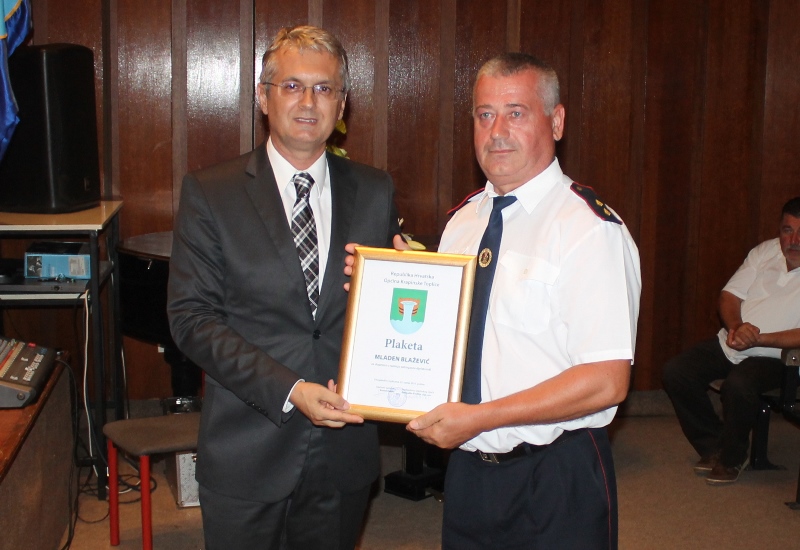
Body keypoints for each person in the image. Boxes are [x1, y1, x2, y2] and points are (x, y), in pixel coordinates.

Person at [379, 52, 641, 549]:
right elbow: (456, 336)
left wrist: (481, 417)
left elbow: (606, 381)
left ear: (556, 122)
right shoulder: (463, 222)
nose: (496, 131)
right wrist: (393, 287)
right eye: (484, 115)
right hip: (469, 472)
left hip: (557, 474)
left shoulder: (588, 230)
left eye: (515, 113)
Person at [167, 25, 402, 550]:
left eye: (324, 88)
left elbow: (386, 303)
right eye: (292, 86)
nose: (308, 102)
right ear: (263, 97)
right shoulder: (211, 192)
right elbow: (191, 319)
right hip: (248, 449)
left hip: (343, 450)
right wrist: (291, 389)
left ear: (342, 103)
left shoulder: (375, 190)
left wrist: (409, 277)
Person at [662, 197, 800, 485]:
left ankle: (732, 457)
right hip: (733, 341)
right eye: (787, 230)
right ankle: (715, 445)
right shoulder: (765, 251)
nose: (794, 241)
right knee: (677, 371)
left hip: (779, 358)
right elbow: (730, 295)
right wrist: (736, 327)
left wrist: (759, 339)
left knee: (738, 384)